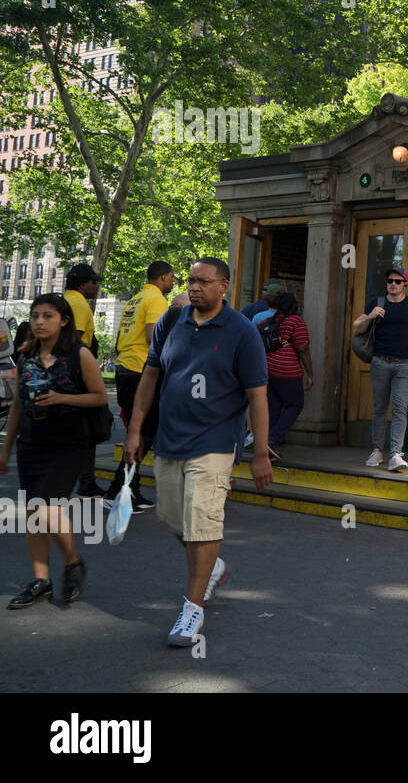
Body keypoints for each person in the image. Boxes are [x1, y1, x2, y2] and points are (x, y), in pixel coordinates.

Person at [123, 258, 272, 648]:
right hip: (170, 440)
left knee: (202, 523)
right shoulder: (172, 323)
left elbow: (257, 396)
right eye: (190, 280)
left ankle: (192, 609)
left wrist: (260, 453)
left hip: (215, 444)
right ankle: (213, 567)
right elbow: (150, 378)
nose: (193, 287)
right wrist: (135, 431)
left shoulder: (242, 332)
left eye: (203, 282)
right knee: (175, 520)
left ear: (224, 286)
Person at [0, 295, 106, 609]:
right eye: (35, 316)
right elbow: (18, 407)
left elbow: (99, 397)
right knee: (34, 513)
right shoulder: (27, 355)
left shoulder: (78, 354)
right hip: (32, 443)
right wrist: (5, 452)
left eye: (47, 315)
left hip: (68, 444)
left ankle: (73, 561)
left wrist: (61, 398)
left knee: (46, 508)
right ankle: (41, 580)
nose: (39, 322)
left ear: (64, 320)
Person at [106, 260, 174, 510]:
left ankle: (130, 488)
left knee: (141, 432)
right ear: (164, 277)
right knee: (143, 434)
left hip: (125, 367)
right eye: (172, 277)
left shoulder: (134, 299)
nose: (173, 282)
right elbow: (153, 337)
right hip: (140, 370)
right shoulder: (157, 300)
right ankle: (119, 490)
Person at [352, 267, 408, 472]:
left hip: (404, 364)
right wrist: (370, 316)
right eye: (390, 280)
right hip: (380, 362)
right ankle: (376, 450)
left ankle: (395, 453)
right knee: (379, 408)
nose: (393, 284)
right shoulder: (376, 303)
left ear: (405, 284)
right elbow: (357, 328)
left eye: (398, 281)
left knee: (400, 408)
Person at [252, 292, 312, 461]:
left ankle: (269, 449)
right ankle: (273, 439)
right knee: (295, 405)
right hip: (287, 371)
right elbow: (303, 348)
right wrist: (310, 374)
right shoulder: (296, 321)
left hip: (266, 370)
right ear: (293, 305)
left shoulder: (265, 322)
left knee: (273, 409)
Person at [64, 263, 105, 498]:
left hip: (63, 372)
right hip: (77, 373)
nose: (96, 286)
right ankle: (86, 482)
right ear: (82, 284)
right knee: (90, 429)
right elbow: (74, 342)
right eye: (93, 282)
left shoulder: (62, 300)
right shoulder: (79, 304)